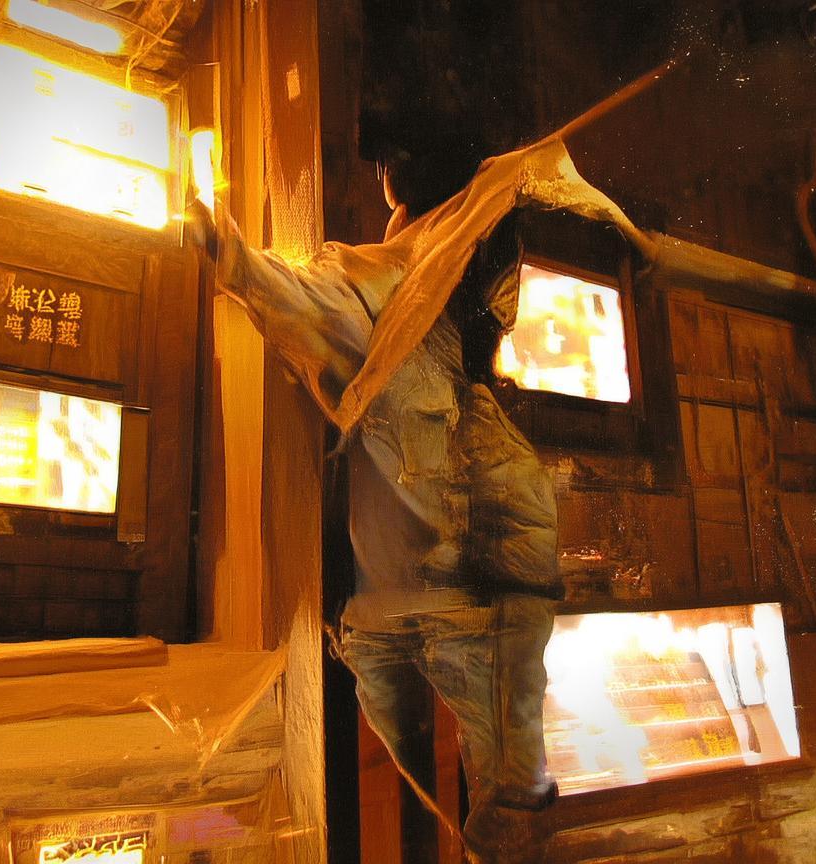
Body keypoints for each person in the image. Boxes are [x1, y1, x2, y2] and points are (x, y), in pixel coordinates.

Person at [187, 138, 642, 862]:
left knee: (503, 804)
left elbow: (298, 295)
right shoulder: (395, 288)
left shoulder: (449, 333)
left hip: (447, 606)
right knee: (487, 801)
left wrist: (225, 246)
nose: (512, 289)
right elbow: (297, 295)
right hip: (436, 608)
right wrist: (224, 245)